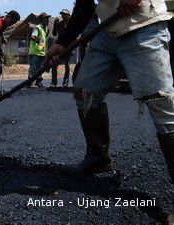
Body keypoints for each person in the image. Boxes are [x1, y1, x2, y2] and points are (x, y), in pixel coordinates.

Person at [47, 0, 174, 223]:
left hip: (144, 25)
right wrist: (63, 42)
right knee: (85, 92)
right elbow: (84, 5)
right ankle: (98, 157)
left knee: (162, 107)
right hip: (108, 32)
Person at [28, 12, 51, 88]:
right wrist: (40, 42)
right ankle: (28, 83)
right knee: (33, 69)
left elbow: (44, 42)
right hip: (35, 53)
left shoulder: (45, 29)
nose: (48, 20)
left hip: (41, 53)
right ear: (42, 20)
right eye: (46, 18)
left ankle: (38, 82)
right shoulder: (38, 28)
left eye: (48, 18)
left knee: (39, 69)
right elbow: (32, 37)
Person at [51, 9, 71, 88]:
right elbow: (54, 33)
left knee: (67, 66)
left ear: (69, 15)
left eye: (65, 14)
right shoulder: (60, 24)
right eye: (62, 14)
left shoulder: (73, 24)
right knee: (54, 64)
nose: (63, 16)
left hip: (68, 47)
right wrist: (55, 24)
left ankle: (65, 83)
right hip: (59, 46)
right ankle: (53, 83)